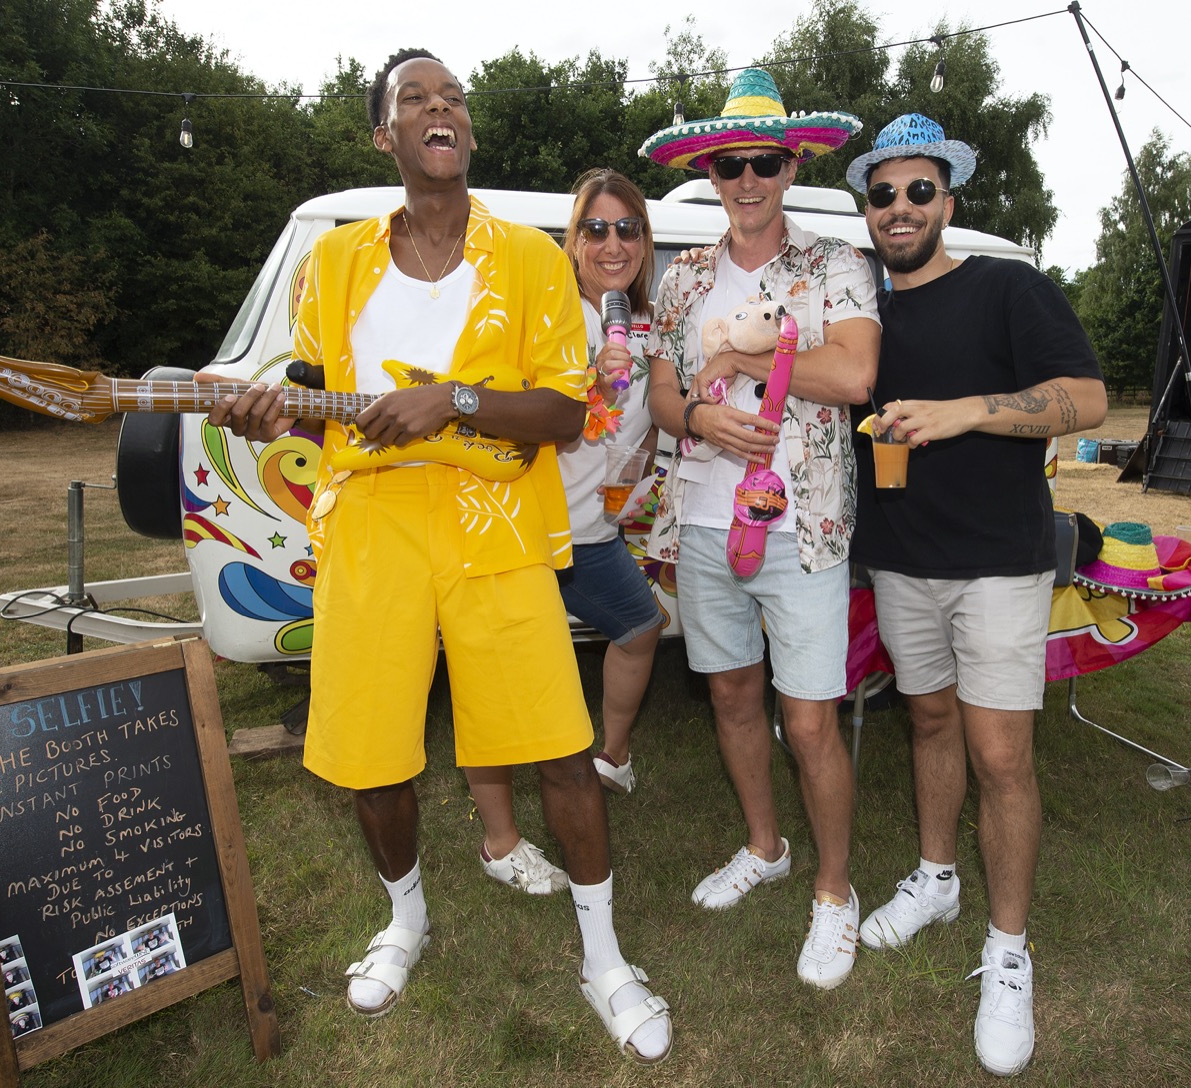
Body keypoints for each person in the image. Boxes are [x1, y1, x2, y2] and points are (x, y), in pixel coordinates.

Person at [202, 49, 671, 1063]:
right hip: (372, 522)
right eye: (414, 98)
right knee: (374, 747)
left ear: (466, 130)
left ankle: (604, 957)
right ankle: (405, 917)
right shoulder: (334, 264)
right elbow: (318, 394)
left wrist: (450, 398)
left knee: (559, 741)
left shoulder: (534, 259)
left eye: (451, 95)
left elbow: (556, 410)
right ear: (386, 135)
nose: (439, 106)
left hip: (494, 521)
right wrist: (260, 411)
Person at [845, 114, 1107, 1077]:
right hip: (905, 558)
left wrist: (969, 414)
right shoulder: (864, 309)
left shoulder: (1006, 285)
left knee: (1001, 754)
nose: (901, 209)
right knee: (927, 721)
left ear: (947, 201)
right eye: (883, 194)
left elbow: (1087, 400)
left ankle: (1008, 951)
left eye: (920, 191)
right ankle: (936, 878)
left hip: (1000, 559)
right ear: (866, 209)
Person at [638, 69, 879, 989]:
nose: (747, 179)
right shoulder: (686, 274)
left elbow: (857, 374)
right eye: (731, 163)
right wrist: (698, 418)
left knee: (808, 719)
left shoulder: (833, 264)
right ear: (709, 170)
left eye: (764, 162)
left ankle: (834, 892)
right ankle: (766, 847)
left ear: (791, 166)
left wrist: (742, 354)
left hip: (803, 529)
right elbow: (661, 389)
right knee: (733, 700)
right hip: (702, 523)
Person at [462, 168, 664, 895]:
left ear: (645, 240)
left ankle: (611, 752)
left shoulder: (640, 326)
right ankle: (500, 840)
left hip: (593, 530)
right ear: (572, 241)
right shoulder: (547, 315)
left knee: (640, 628)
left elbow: (640, 424)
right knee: (497, 683)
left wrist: (637, 466)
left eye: (628, 228)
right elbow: (518, 407)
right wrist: (587, 378)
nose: (613, 244)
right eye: (596, 229)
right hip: (525, 528)